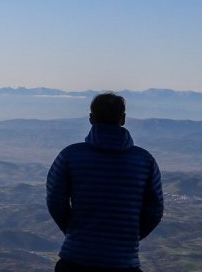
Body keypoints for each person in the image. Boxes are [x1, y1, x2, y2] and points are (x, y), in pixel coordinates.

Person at [46, 92, 164, 272]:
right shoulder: (144, 161)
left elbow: (55, 199)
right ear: (123, 118)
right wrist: (127, 239)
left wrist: (74, 232)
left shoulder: (70, 156)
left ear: (91, 118)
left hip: (75, 259)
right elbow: (155, 209)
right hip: (124, 263)